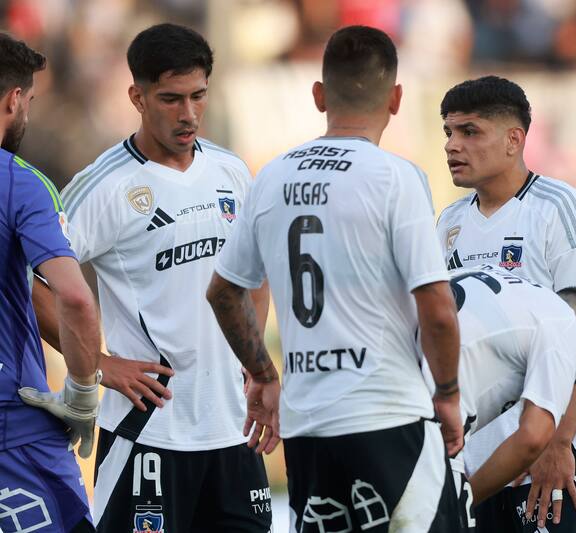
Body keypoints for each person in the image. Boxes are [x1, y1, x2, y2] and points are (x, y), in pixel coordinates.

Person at [207, 25, 463, 532]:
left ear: (319, 95)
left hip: (308, 427)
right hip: (388, 418)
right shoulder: (396, 177)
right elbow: (436, 304)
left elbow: (224, 291)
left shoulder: (273, 176)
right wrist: (449, 394)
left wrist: (262, 375)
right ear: (395, 99)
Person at [31, 24, 272, 532]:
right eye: (170, 99)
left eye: (198, 96)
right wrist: (97, 364)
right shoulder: (103, 187)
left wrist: (254, 362)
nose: (188, 114)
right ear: (136, 97)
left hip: (233, 433)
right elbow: (26, 284)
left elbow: (256, 271)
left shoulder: (232, 172)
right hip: (150, 434)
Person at [437, 75, 576, 531]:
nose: (453, 146)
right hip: (470, 465)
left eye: (469, 131)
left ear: (514, 139)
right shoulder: (449, 223)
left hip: (544, 464)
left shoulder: (560, 209)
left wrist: (558, 445)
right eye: (449, 132)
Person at [427, 265, 576, 532]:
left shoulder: (493, 280)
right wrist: (461, 503)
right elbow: (531, 439)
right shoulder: (564, 326)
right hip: (410, 428)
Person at [0, 33, 101, 533]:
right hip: (13, 429)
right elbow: (75, 297)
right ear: (13, 99)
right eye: (30, 102)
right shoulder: (20, 182)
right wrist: (82, 394)